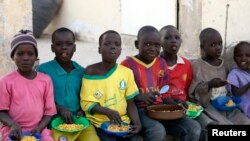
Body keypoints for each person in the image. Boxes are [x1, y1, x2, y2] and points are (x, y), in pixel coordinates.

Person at [121, 25, 201, 141]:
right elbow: (121, 94)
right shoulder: (127, 65)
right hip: (140, 111)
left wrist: (176, 103)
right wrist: (139, 96)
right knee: (157, 131)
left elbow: (164, 91)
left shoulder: (161, 63)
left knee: (193, 127)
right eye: (147, 44)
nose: (153, 48)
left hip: (160, 109)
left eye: (156, 45)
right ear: (137, 44)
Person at [36, 27, 100, 141]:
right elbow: (38, 99)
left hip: (79, 122)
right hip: (55, 122)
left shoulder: (81, 72)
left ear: (74, 47)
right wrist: (59, 108)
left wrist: (82, 110)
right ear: (52, 48)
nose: (64, 47)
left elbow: (85, 97)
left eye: (69, 44)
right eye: (59, 44)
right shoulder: (43, 70)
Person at [80, 30, 142, 141]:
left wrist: (137, 123)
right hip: (100, 123)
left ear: (120, 50)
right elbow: (86, 103)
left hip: (123, 123)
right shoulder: (91, 71)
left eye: (117, 44)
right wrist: (107, 111)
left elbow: (130, 103)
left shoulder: (127, 73)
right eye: (107, 44)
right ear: (99, 49)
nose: (113, 47)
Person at [0, 30, 57, 141]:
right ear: (12, 57)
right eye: (20, 54)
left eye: (30, 54)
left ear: (36, 57)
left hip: (39, 129)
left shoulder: (45, 80)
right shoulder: (6, 81)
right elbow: (1, 111)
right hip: (14, 129)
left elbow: (49, 112)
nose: (25, 58)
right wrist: (12, 124)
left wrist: (40, 128)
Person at [188, 27, 250, 125]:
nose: (218, 48)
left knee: (246, 122)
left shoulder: (225, 65)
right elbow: (193, 94)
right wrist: (209, 84)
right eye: (213, 45)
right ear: (203, 47)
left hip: (226, 104)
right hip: (209, 106)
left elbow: (231, 89)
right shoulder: (197, 66)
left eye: (220, 43)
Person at [226, 41, 250, 118]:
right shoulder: (234, 73)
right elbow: (235, 93)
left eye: (248, 55)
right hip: (243, 107)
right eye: (239, 56)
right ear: (234, 59)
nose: (243, 58)